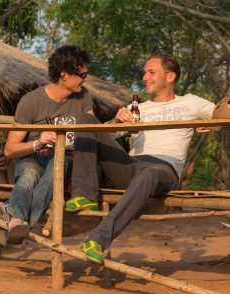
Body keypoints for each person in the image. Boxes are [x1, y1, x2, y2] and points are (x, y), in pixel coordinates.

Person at [64, 53, 215, 263]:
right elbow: (99, 133)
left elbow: (223, 113)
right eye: (145, 72)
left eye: (151, 72)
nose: (145, 77)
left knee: (150, 173)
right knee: (84, 119)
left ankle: (98, 239)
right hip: (130, 166)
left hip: (163, 169)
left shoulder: (192, 103)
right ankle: (84, 196)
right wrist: (116, 121)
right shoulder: (138, 108)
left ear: (170, 77)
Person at [0, 45, 94, 246]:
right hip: (34, 157)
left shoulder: (84, 97)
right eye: (82, 74)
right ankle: (17, 221)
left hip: (66, 161)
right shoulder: (31, 101)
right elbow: (9, 150)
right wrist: (37, 143)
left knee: (58, 164)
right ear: (64, 75)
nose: (86, 79)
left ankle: (16, 220)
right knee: (29, 173)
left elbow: (94, 130)